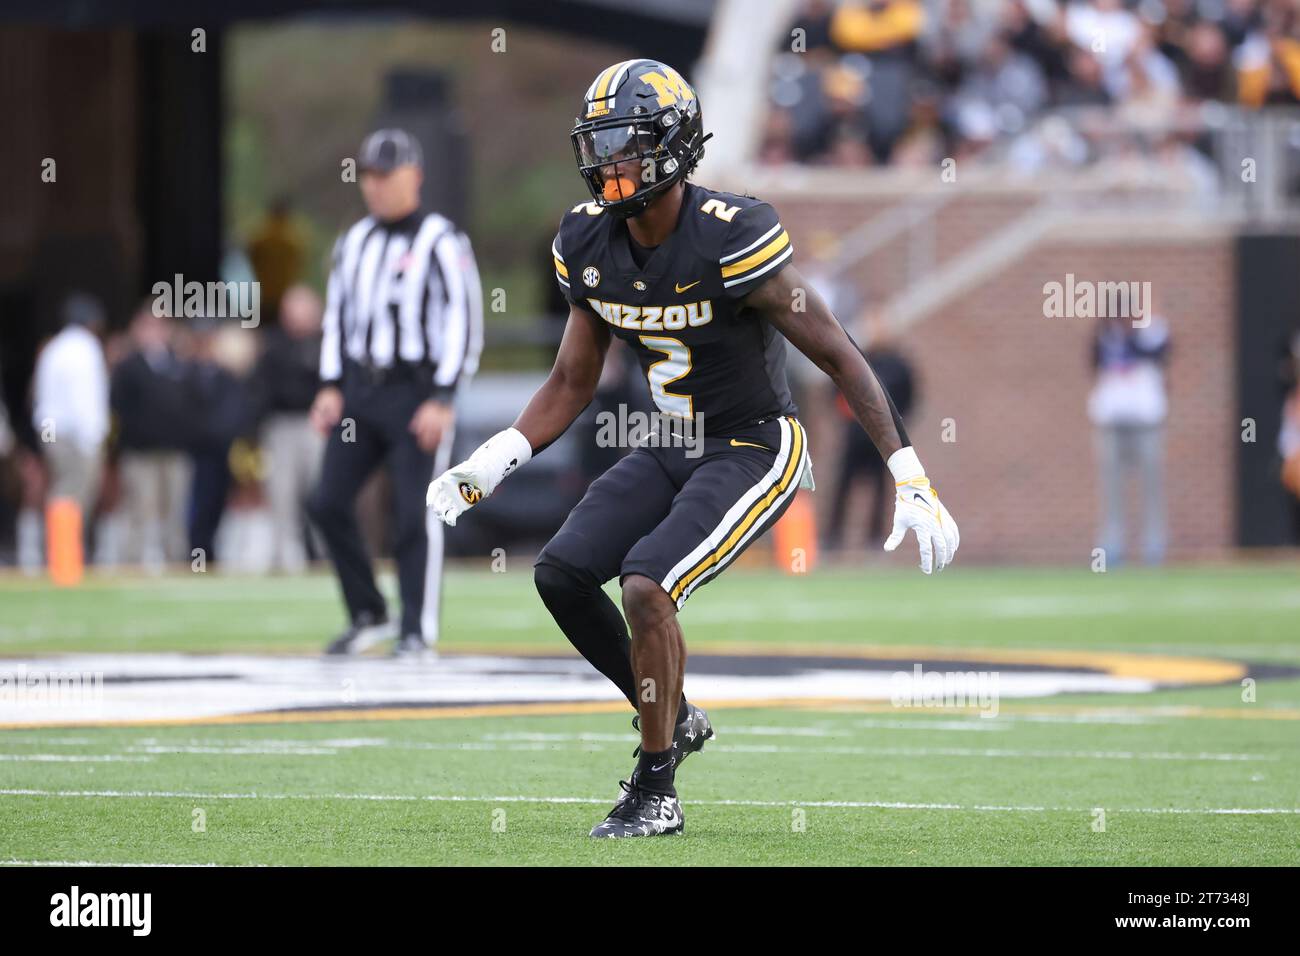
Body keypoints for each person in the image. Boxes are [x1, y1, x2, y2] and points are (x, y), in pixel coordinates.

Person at [427, 60, 959, 838]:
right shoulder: (587, 238)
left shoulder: (730, 233)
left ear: (673, 148)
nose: (610, 165)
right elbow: (572, 382)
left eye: (626, 147)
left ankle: (655, 787)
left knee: (646, 585)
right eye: (600, 146)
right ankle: (673, 713)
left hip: (755, 444)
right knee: (562, 574)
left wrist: (908, 471)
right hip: (670, 441)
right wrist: (493, 460)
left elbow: (839, 354)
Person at [308, 128, 483, 659]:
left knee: (415, 512)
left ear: (415, 176)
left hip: (415, 392)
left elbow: (463, 321)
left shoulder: (442, 240)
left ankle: (416, 629)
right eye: (369, 175)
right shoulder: (353, 241)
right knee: (327, 501)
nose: (376, 186)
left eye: (386, 175)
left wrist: (444, 396)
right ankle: (369, 612)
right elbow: (337, 317)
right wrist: (331, 385)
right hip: (362, 390)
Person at [110, 304, 195, 569]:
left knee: (175, 511)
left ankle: (176, 561)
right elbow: (118, 408)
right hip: (140, 452)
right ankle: (133, 561)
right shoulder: (128, 367)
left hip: (174, 450)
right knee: (140, 509)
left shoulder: (179, 364)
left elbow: (190, 404)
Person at [1088, 312, 1171, 566]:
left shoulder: (1147, 333)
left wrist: (1135, 330)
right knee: (1112, 488)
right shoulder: (1104, 336)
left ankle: (1154, 545)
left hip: (1146, 422)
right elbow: (1094, 363)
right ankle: (1112, 544)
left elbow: (1160, 352)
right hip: (1112, 423)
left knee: (1151, 485)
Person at [253, 284, 325, 571]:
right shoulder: (273, 345)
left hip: (316, 426)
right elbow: (261, 391)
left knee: (322, 493)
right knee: (282, 494)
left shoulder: (326, 344)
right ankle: (288, 557)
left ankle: (325, 554)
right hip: (281, 428)